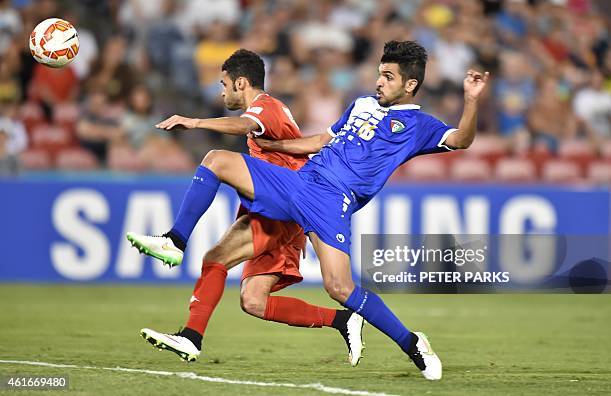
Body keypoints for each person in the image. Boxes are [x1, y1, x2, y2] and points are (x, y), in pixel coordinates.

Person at [128, 41, 489, 380]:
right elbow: (320, 141)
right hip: (302, 182)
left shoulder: (418, 126)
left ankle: (412, 343)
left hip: (334, 202)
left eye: (389, 76)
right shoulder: (361, 104)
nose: (379, 82)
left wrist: (471, 101)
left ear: (410, 85)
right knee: (216, 160)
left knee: (340, 287)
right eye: (380, 73)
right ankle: (175, 241)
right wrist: (278, 144)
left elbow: (461, 140)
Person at [131, 49, 364, 365]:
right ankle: (342, 320)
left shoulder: (266, 107)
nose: (221, 91)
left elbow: (243, 126)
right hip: (280, 210)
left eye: (224, 84)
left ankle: (175, 241)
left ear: (241, 82)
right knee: (252, 299)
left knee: (216, 160)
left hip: (284, 205)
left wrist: (195, 122)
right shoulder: (271, 111)